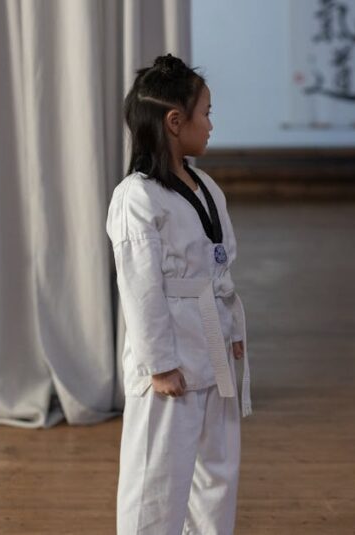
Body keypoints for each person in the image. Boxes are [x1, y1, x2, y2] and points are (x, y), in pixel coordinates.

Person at [108, 54, 251, 535]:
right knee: (158, 477)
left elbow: (220, 264)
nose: (211, 124)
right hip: (168, 352)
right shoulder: (137, 197)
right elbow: (140, 287)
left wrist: (230, 333)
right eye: (205, 112)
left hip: (211, 336)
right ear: (175, 122)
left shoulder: (205, 185)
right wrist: (159, 363)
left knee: (217, 472)